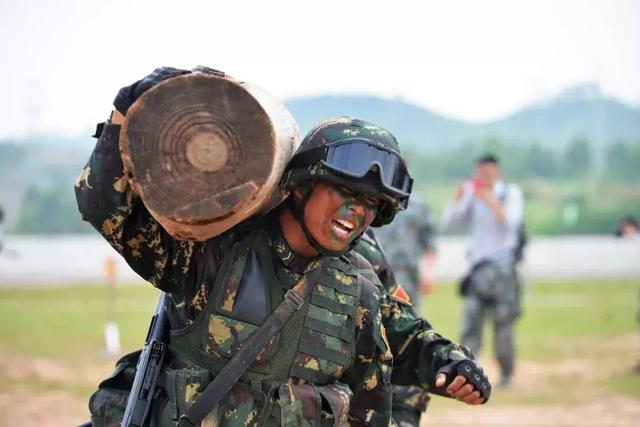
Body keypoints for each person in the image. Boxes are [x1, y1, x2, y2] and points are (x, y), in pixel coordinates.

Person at [76, 67, 490, 427]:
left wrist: (450, 362)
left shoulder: (358, 288)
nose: (356, 210)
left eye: (369, 203)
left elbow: (398, 354)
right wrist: (124, 110)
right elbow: (107, 208)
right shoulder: (212, 255)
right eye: (345, 191)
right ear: (301, 186)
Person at [441, 154, 524, 388]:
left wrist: (488, 198)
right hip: (478, 271)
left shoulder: (511, 193)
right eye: (480, 173)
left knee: (503, 327)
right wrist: (458, 199)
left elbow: (511, 223)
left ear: (497, 173)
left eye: (487, 173)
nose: (483, 177)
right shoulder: (472, 196)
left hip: (503, 270)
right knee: (470, 324)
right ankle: (465, 372)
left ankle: (506, 374)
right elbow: (448, 224)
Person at [366, 195, 436, 426]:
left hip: (406, 280)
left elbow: (430, 242)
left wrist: (429, 272)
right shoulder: (369, 200)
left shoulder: (418, 207)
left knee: (403, 333)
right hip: (372, 278)